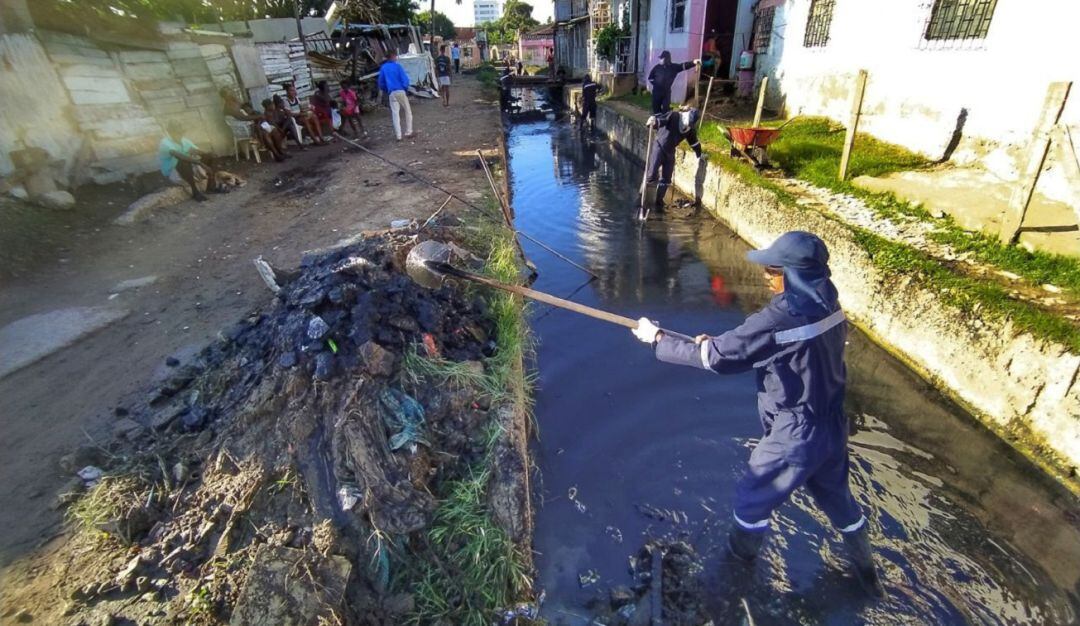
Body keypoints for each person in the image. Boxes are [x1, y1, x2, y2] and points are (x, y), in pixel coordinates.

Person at [630, 231, 884, 598]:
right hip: (831, 425)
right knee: (840, 503)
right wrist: (716, 344)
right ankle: (869, 580)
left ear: (795, 275)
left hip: (795, 434)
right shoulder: (828, 301)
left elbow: (716, 359)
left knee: (751, 500)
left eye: (774, 270)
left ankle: (737, 580)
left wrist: (657, 339)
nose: (766, 274)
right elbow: (768, 347)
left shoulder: (781, 316)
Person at [643, 107, 705, 212]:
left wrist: (699, 154)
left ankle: (659, 200)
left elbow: (694, 142)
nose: (686, 127)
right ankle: (646, 200)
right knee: (652, 174)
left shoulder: (689, 129)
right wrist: (654, 122)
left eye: (689, 125)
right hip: (659, 147)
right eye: (687, 124)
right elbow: (662, 120)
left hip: (670, 151)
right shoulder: (674, 115)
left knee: (667, 177)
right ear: (686, 117)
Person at [158, 120, 222, 202]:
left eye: (180, 132)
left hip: (187, 170)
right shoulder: (165, 143)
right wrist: (201, 163)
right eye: (175, 132)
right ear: (170, 132)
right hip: (173, 173)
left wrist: (207, 154)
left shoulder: (184, 140)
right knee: (184, 161)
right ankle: (195, 192)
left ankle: (211, 187)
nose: (178, 134)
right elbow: (179, 156)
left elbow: (194, 150)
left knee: (210, 156)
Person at [219, 87, 287, 162]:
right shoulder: (229, 107)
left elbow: (246, 108)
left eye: (232, 90)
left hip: (249, 125)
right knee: (265, 133)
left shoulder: (235, 102)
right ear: (225, 96)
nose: (233, 93)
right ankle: (276, 154)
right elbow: (243, 118)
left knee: (275, 131)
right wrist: (259, 116)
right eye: (230, 92)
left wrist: (252, 111)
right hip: (244, 129)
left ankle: (280, 152)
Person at [378, 50, 414, 141]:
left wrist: (387, 89)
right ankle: (409, 131)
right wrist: (405, 88)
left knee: (395, 114)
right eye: (395, 56)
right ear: (393, 56)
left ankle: (398, 136)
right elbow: (405, 79)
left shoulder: (383, 68)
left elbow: (381, 82)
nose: (396, 58)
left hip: (391, 92)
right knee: (407, 111)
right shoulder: (398, 66)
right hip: (400, 90)